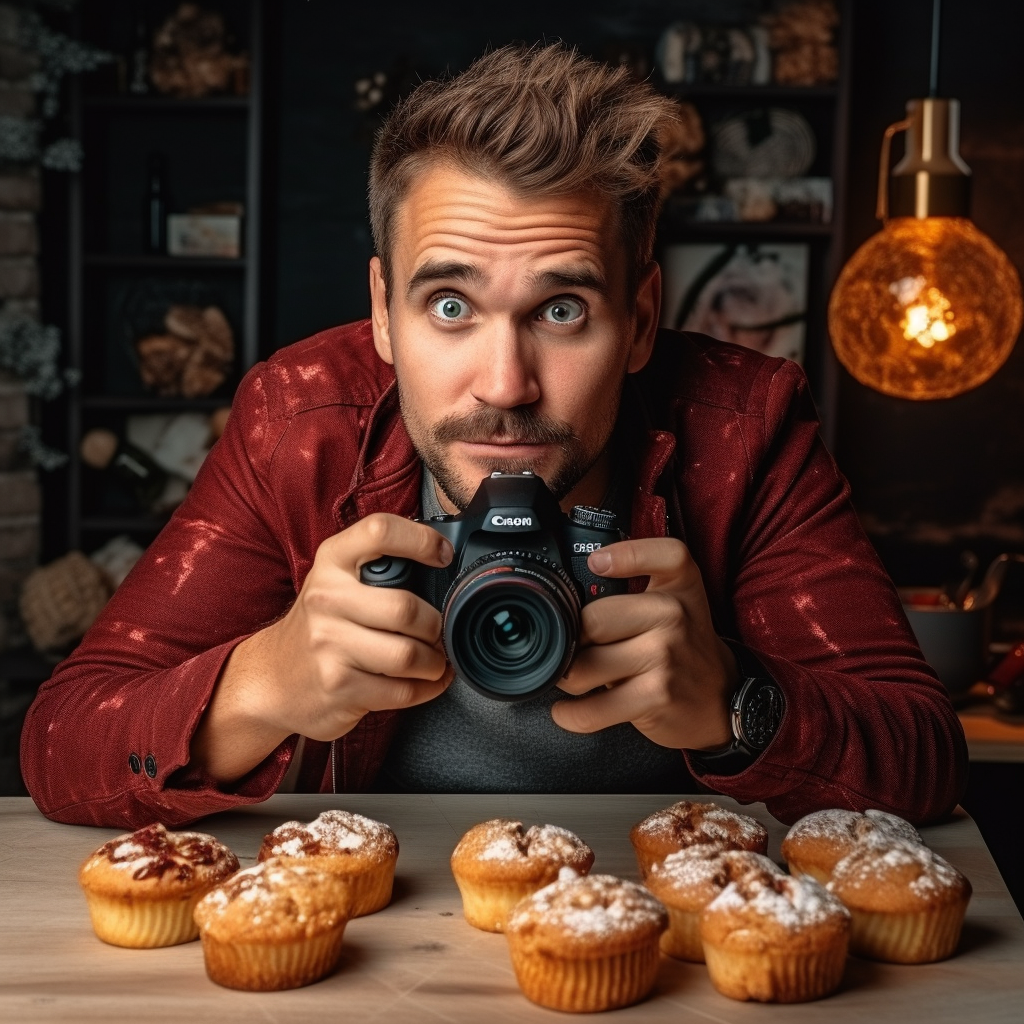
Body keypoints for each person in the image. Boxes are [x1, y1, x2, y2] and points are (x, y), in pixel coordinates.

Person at [21, 44, 967, 829]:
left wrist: (735, 701)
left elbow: (927, 759)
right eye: (448, 305)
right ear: (384, 315)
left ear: (640, 321)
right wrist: (259, 686)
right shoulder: (302, 420)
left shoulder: (741, 426)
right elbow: (61, 744)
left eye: (561, 308)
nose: (506, 385)